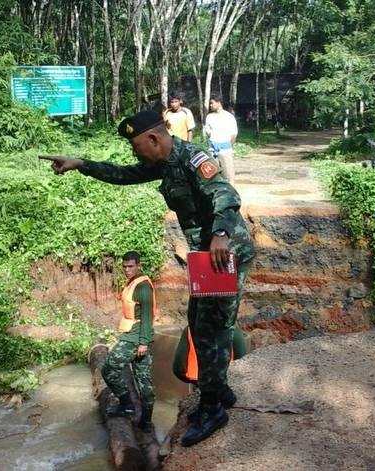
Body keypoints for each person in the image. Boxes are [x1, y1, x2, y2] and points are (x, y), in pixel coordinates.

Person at [39, 109, 256, 447]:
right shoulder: (162, 163)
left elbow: (225, 195)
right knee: (199, 324)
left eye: (136, 145)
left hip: (224, 255)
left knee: (213, 327)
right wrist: (81, 163)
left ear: (154, 139)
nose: (134, 152)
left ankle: (213, 407)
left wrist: (222, 233)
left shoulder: (192, 158)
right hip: (205, 258)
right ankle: (219, 389)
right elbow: (124, 174)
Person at [102, 251, 156, 431]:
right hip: (133, 334)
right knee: (143, 381)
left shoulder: (143, 287)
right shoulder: (133, 283)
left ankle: (130, 407)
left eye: (130, 266)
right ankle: (144, 421)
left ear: (138, 265)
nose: (127, 270)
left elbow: (148, 316)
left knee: (109, 369)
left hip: (136, 337)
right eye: (124, 266)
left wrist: (144, 342)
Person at [204, 96, 238, 185]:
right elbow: (208, 132)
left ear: (218, 103)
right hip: (212, 149)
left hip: (225, 149)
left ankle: (230, 196)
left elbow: (234, 134)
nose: (210, 105)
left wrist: (228, 146)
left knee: (229, 176)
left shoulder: (229, 116)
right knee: (213, 176)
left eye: (212, 103)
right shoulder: (209, 117)